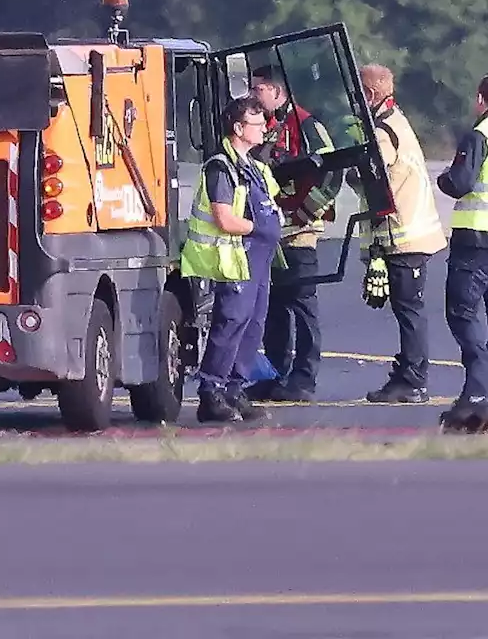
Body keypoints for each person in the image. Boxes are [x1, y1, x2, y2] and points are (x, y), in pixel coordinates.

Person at [181, 95, 284, 423]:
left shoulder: (254, 168)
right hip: (236, 257)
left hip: (259, 260)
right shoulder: (221, 167)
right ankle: (211, 392)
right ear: (239, 128)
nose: (265, 129)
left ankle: (234, 390)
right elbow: (224, 219)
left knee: (253, 325)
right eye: (257, 124)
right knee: (230, 323)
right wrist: (259, 228)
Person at [349, 65, 447, 404]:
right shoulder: (396, 122)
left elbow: (370, 177)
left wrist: (351, 165)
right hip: (412, 235)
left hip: (405, 238)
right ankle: (410, 373)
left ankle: (413, 380)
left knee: (409, 311)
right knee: (409, 309)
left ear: (372, 94)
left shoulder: (381, 132)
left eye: (359, 90)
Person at [248, 64, 339, 403]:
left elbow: (332, 174)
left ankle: (303, 378)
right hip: (272, 234)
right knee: (273, 309)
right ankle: (275, 374)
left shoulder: (308, 125)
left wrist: (305, 212)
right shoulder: (266, 129)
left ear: (276, 91)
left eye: (258, 90)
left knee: (303, 307)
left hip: (300, 234)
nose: (253, 96)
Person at [437, 74, 488, 431]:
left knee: (463, 313)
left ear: (480, 99)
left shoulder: (479, 134)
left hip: (476, 237)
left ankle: (477, 394)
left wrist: (444, 178)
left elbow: (460, 183)